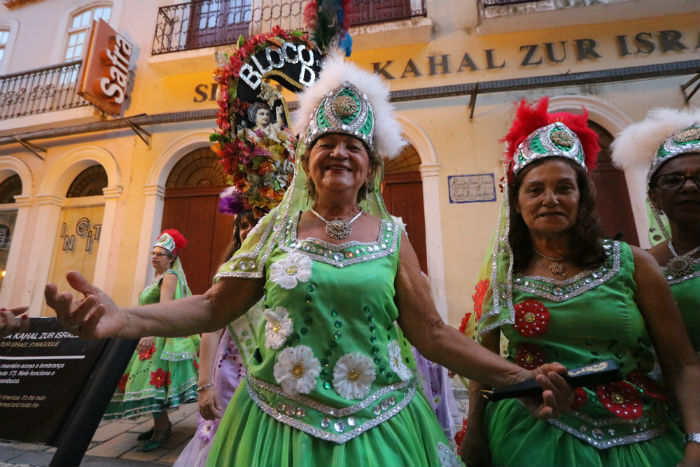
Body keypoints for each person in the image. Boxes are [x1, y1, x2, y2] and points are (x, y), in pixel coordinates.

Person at [45, 55, 572, 467]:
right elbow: (212, 307)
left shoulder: (393, 235)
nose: (339, 152)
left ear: (370, 168)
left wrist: (513, 377)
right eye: (326, 142)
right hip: (276, 427)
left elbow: (432, 333)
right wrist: (122, 320)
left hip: (381, 426)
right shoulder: (274, 229)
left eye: (353, 145)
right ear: (306, 159)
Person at [462, 98, 700, 467]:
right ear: (517, 202)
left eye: (564, 188)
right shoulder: (503, 273)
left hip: (639, 436)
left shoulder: (633, 264)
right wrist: (475, 436)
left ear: (582, 197)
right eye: (535, 189)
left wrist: (695, 443)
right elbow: (485, 366)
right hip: (531, 435)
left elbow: (681, 364)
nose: (550, 199)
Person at [103, 229, 200, 452]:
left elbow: (164, 310)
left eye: (161, 253)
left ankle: (162, 428)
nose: (154, 257)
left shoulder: (169, 277)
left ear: (172, 258)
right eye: (153, 252)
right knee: (149, 384)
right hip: (148, 334)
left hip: (158, 338)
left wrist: (150, 334)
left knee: (152, 383)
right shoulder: (156, 278)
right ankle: (160, 424)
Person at [611, 108, 700, 352]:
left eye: (699, 177)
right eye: (673, 180)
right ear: (654, 198)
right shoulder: (639, 266)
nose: (690, 187)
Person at [174, 211, 257, 467]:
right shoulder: (229, 271)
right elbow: (211, 329)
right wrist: (204, 385)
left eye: (256, 224)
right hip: (230, 371)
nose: (249, 230)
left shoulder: (285, 267)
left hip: (269, 373)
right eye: (243, 225)